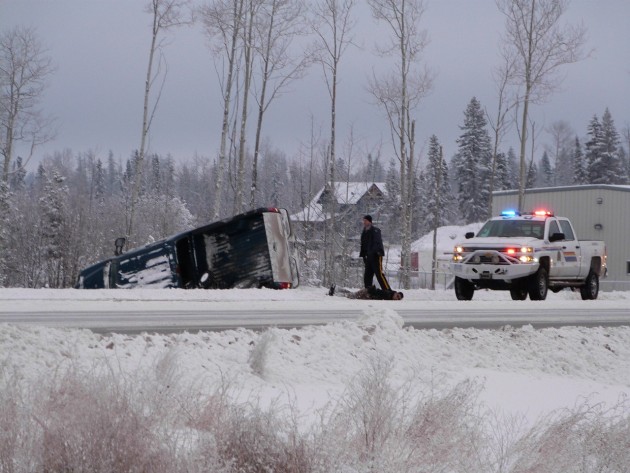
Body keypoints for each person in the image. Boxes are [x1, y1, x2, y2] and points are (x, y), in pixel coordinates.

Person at [359, 215, 391, 291]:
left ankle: (387, 291)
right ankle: (368, 291)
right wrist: (364, 255)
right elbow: (363, 244)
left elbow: (377, 243)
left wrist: (375, 252)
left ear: (370, 221)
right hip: (368, 257)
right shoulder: (364, 232)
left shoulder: (375, 230)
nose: (364, 222)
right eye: (363, 220)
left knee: (379, 274)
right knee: (367, 275)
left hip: (376, 256)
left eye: (365, 220)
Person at [328, 284, 404, 300]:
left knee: (351, 294)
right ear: (396, 293)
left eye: (398, 299)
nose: (397, 298)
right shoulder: (388, 294)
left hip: (368, 291)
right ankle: (334, 293)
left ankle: (336, 288)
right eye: (397, 296)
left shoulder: (390, 294)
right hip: (368, 293)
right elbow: (378, 294)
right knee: (351, 296)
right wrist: (369, 295)